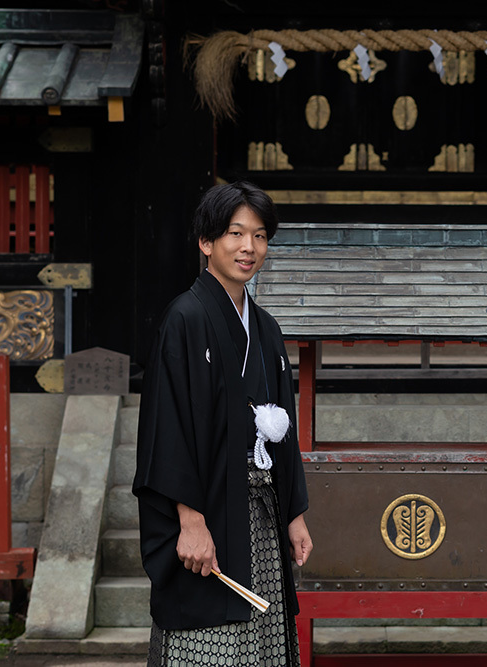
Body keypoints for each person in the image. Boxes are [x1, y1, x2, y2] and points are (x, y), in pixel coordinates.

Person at [133, 181, 312, 666]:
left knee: (264, 642)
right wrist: (189, 522)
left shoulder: (266, 328)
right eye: (235, 233)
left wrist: (293, 514)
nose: (248, 247)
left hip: (261, 515)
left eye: (259, 235)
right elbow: (167, 430)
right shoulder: (184, 319)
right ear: (206, 242)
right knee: (208, 639)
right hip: (207, 509)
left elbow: (284, 429)